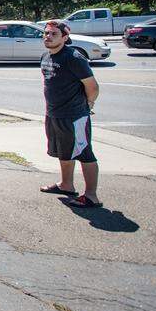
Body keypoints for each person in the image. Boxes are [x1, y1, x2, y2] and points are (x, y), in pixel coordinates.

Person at [38, 20, 102, 208]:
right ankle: (66, 185)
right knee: (63, 151)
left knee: (84, 153)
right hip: (54, 114)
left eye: (53, 34)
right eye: (46, 33)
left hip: (74, 115)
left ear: (65, 38)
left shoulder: (74, 57)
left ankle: (91, 196)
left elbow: (92, 86)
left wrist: (88, 104)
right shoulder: (46, 56)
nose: (48, 37)